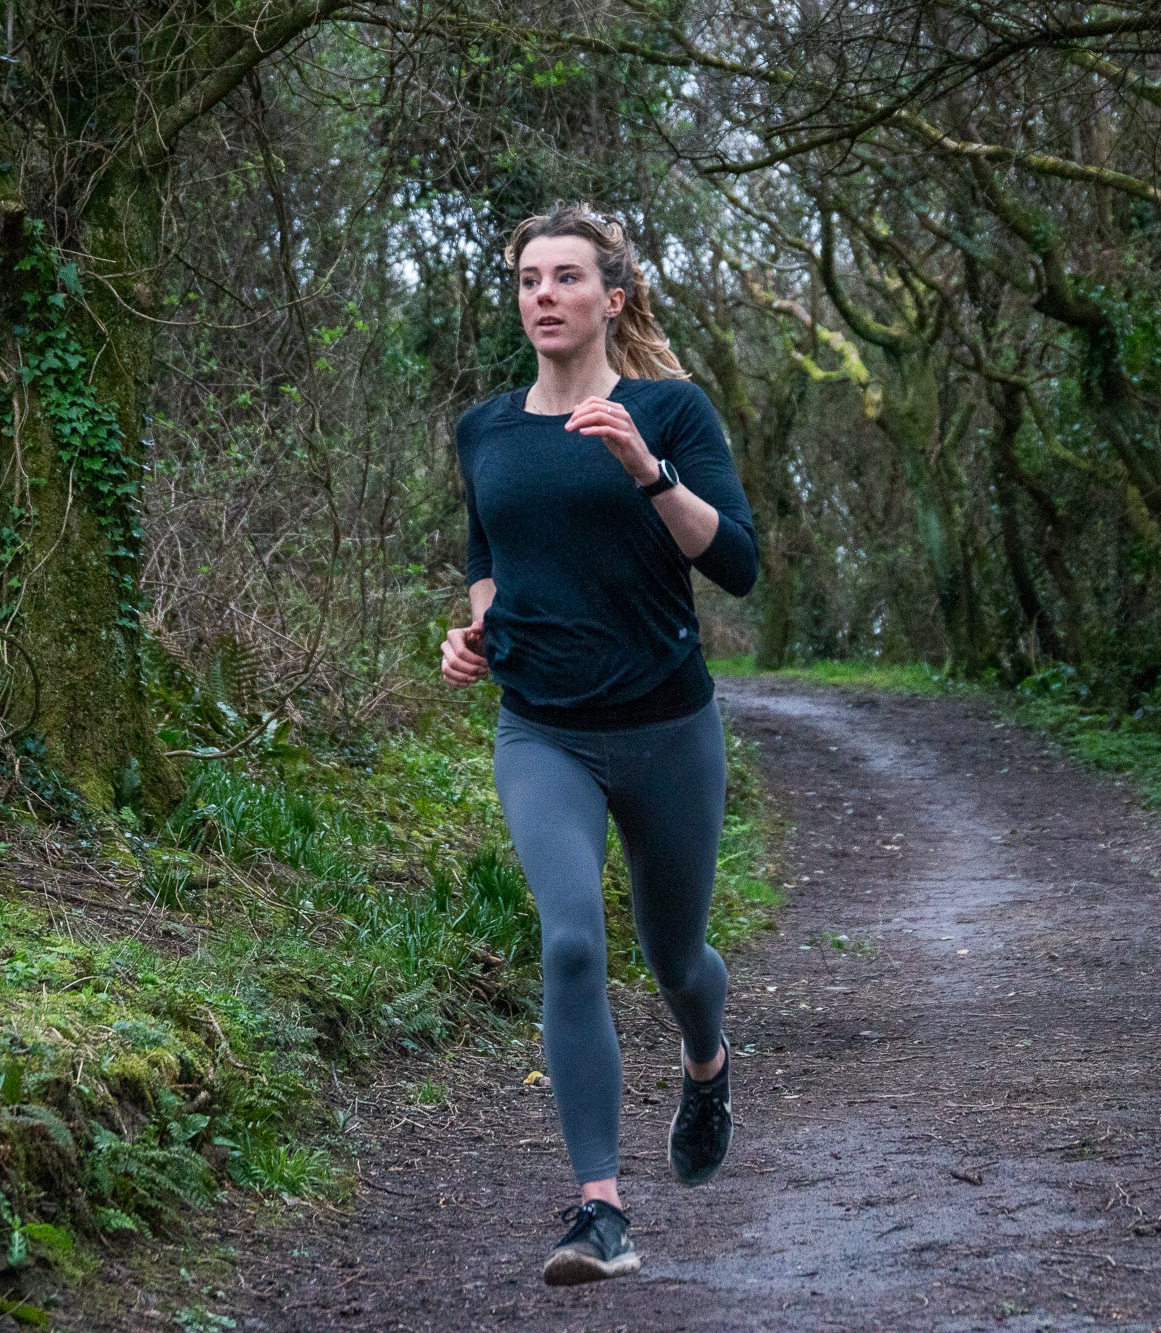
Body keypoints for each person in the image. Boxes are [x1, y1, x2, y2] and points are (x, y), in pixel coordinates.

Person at [439, 203, 760, 1286]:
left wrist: (646, 469)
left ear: (610, 299)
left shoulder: (668, 410)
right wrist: (478, 630)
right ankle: (599, 1209)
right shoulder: (484, 429)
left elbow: (739, 566)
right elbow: (493, 555)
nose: (542, 295)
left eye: (565, 277)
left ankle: (706, 1061)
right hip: (544, 732)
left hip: (667, 726)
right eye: (528, 278)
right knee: (572, 940)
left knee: (676, 959)